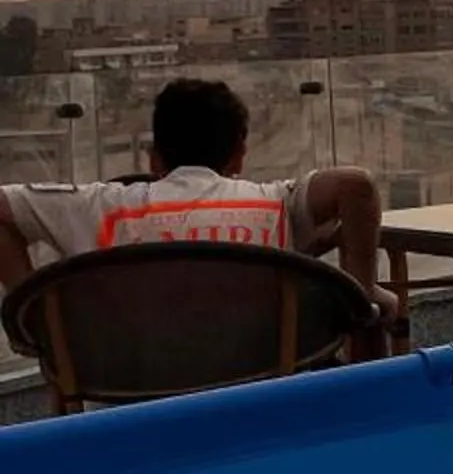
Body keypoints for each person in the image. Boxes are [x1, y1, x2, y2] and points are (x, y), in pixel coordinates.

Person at [0, 77, 387, 331]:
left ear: (154, 159)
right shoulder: (272, 206)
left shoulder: (102, 209)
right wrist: (363, 291)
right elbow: (357, 187)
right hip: (258, 399)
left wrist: (29, 311)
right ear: (239, 154)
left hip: (131, 408)